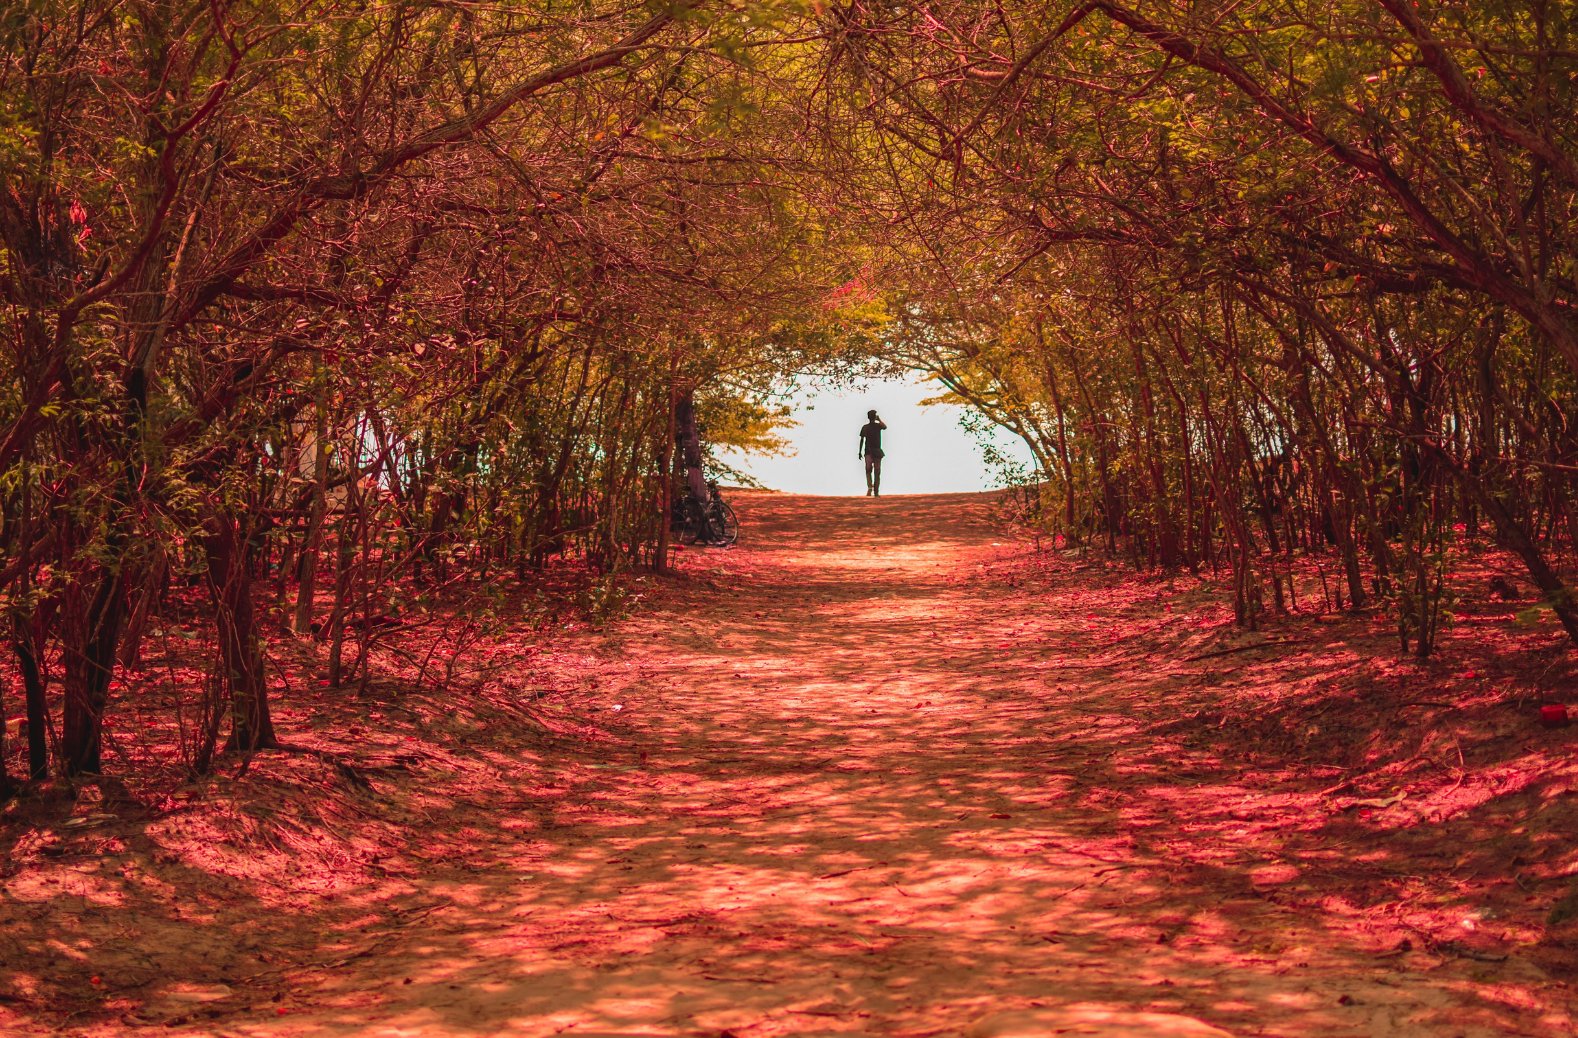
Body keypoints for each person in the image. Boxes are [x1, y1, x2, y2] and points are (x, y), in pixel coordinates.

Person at [858, 410, 887, 497]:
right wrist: (879, 420)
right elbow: (885, 427)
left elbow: (862, 440)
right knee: (877, 472)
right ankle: (876, 491)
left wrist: (859, 451)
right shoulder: (878, 426)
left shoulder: (865, 427)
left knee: (868, 470)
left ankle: (870, 487)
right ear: (875, 417)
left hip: (868, 451)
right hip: (877, 451)